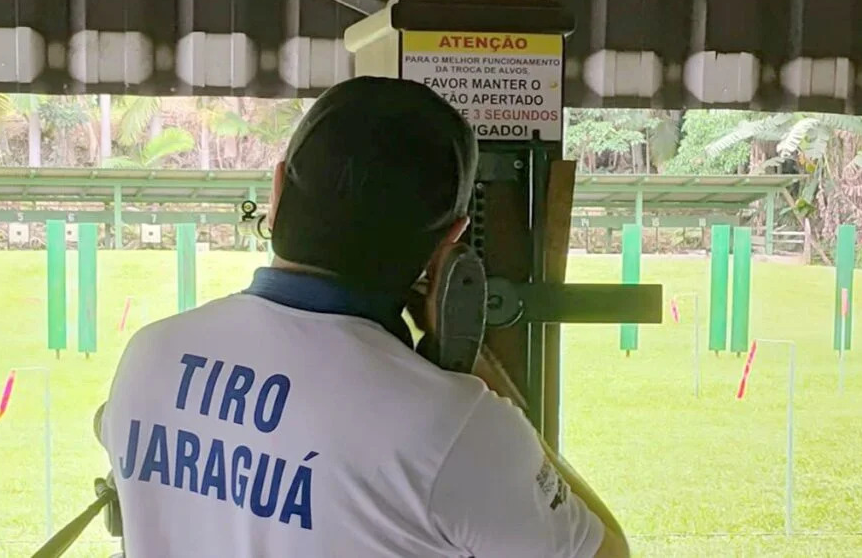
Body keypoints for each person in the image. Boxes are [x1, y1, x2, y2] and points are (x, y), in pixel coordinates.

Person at [97, 76, 630, 557]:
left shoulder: (150, 356)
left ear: (278, 189)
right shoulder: (455, 426)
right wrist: (472, 373)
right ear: (451, 239)